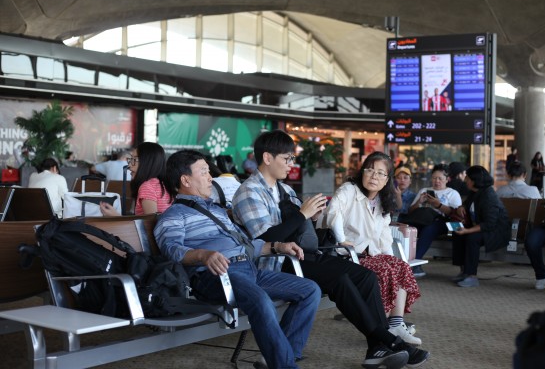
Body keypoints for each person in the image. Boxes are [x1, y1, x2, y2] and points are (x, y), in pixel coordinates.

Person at [232, 129, 429, 369]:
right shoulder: (249, 191)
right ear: (267, 157)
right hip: (275, 262)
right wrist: (302, 215)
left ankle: (377, 348)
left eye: (292, 158)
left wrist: (312, 217)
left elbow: (298, 227)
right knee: (340, 280)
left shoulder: (285, 190)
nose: (291, 164)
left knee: (365, 277)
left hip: (301, 255)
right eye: (287, 158)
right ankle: (388, 342)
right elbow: (265, 239)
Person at [154, 149, 321, 369]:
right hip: (217, 275)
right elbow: (172, 250)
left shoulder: (216, 210)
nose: (210, 177)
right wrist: (203, 254)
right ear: (185, 180)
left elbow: (246, 246)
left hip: (248, 270)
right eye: (204, 172)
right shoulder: (174, 215)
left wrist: (277, 246)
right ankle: (284, 364)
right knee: (261, 301)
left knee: (310, 290)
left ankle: (282, 358)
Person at [318, 151, 422, 346]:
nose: (374, 176)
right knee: (384, 271)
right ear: (362, 171)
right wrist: (342, 239)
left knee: (400, 267)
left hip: (369, 255)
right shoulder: (349, 190)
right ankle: (382, 329)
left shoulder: (383, 201)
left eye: (381, 173)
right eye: (370, 170)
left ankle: (396, 323)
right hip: (345, 255)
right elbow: (334, 212)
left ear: (387, 179)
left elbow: (384, 236)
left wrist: (394, 262)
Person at [451, 166, 511, 287]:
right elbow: (467, 204)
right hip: (483, 227)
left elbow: (489, 224)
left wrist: (467, 230)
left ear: (474, 180)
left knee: (472, 238)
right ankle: (464, 271)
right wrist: (462, 207)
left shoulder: (489, 196)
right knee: (457, 233)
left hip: (497, 231)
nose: (465, 180)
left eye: (467, 178)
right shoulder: (475, 192)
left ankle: (472, 276)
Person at [407, 163, 462, 277]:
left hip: (444, 222)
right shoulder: (424, 190)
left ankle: (414, 264)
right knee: (407, 229)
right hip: (422, 220)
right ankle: (406, 263)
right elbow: (411, 211)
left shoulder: (452, 193)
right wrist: (419, 202)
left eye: (440, 178)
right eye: (434, 178)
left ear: (447, 179)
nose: (437, 181)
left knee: (429, 229)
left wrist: (438, 205)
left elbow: (457, 215)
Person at [100, 142, 171, 216]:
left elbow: (151, 222)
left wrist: (115, 216)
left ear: (147, 162)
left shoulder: (147, 186)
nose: (129, 165)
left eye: (134, 159)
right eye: (131, 159)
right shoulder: (162, 184)